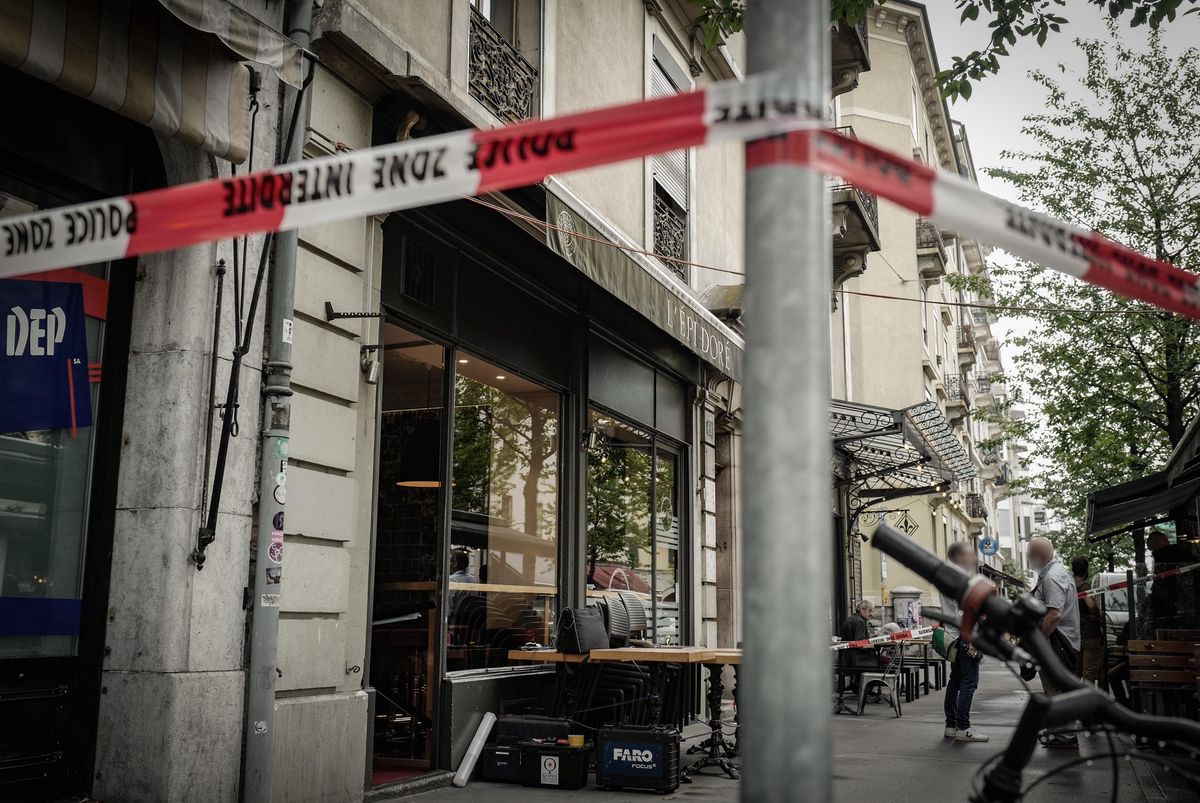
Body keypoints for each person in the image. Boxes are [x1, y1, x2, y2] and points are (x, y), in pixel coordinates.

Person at [1028, 537, 1081, 748]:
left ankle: (1065, 737)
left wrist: (1037, 640)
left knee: (1057, 689)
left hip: (1058, 643)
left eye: (1030, 555)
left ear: (1039, 556)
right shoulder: (1056, 572)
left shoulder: (1052, 577)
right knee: (1055, 689)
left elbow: (1054, 615)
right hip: (1061, 641)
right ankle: (1058, 733)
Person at [939, 542, 987, 742]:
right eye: (969, 554)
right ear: (959, 556)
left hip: (954, 636)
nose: (973, 558)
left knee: (956, 681)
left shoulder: (945, 576)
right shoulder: (959, 579)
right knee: (969, 683)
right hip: (964, 636)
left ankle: (951, 725)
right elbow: (963, 612)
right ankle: (963, 727)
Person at [1072, 555, 1103, 683]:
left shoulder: (1069, 585)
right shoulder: (1084, 586)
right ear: (1086, 569)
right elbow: (1090, 604)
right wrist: (1098, 614)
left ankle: (1073, 700)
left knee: (1075, 672)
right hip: (1089, 634)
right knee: (1089, 674)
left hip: (1074, 634)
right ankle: (1085, 701)